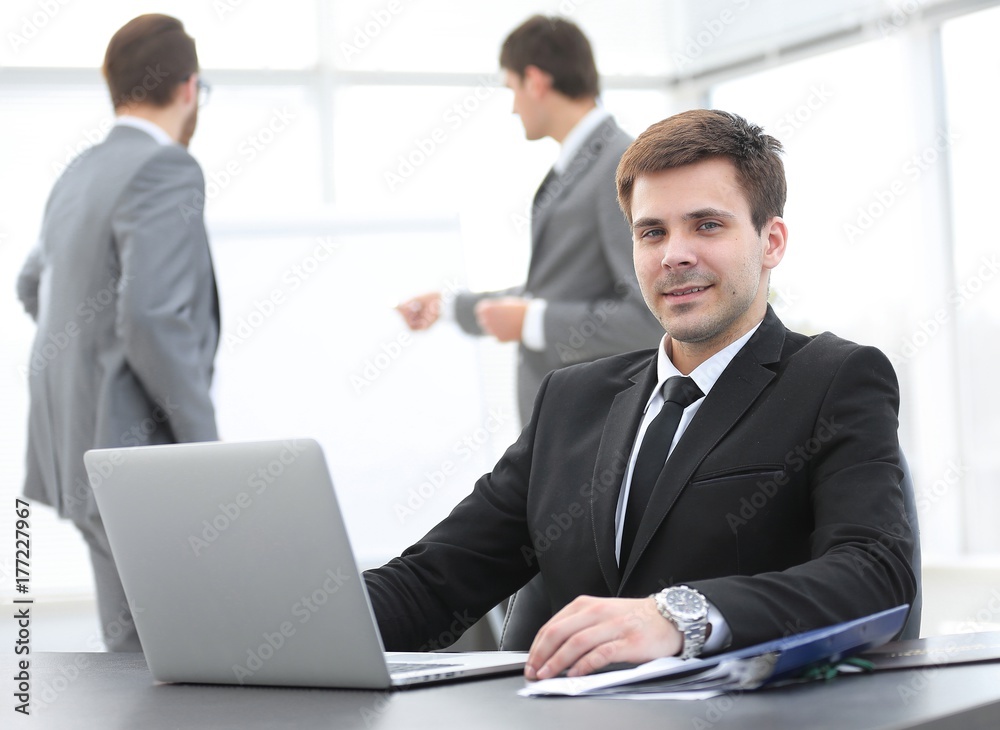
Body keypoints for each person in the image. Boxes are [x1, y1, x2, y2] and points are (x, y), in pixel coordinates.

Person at [365, 109, 916, 680]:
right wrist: (300, 622)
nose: (673, 254)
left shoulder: (834, 378)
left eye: (707, 225)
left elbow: (873, 573)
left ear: (771, 241)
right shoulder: (570, 399)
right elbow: (436, 580)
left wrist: (679, 619)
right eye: (652, 231)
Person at [15, 14, 219, 652]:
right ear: (189, 89)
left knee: (136, 653)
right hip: (135, 459)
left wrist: (84, 354)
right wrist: (208, 450)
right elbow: (152, 320)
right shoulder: (168, 170)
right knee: (176, 661)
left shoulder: (80, 171)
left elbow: (31, 284)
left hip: (72, 444)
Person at [397, 15, 662, 423]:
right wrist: (450, 307)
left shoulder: (618, 167)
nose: (513, 106)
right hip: (566, 429)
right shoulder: (581, 163)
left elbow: (649, 317)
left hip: (594, 432)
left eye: (512, 88)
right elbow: (560, 287)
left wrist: (533, 322)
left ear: (536, 81)